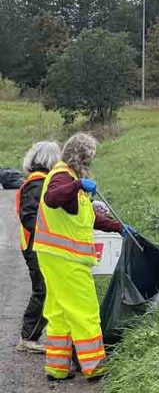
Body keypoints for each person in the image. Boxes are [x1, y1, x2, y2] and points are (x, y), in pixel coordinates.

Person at [33, 132, 135, 382]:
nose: (90, 165)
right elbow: (51, 199)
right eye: (90, 159)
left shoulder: (70, 179)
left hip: (53, 255)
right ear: (82, 157)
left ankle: (57, 367)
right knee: (85, 310)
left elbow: (89, 217)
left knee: (59, 311)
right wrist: (78, 185)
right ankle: (95, 366)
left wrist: (118, 227)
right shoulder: (62, 176)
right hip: (67, 258)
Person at [15, 141, 61, 354]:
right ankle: (28, 337)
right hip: (35, 245)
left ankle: (31, 335)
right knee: (42, 289)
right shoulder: (37, 184)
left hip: (39, 244)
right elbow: (29, 218)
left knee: (46, 289)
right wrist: (50, 233)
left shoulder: (40, 181)